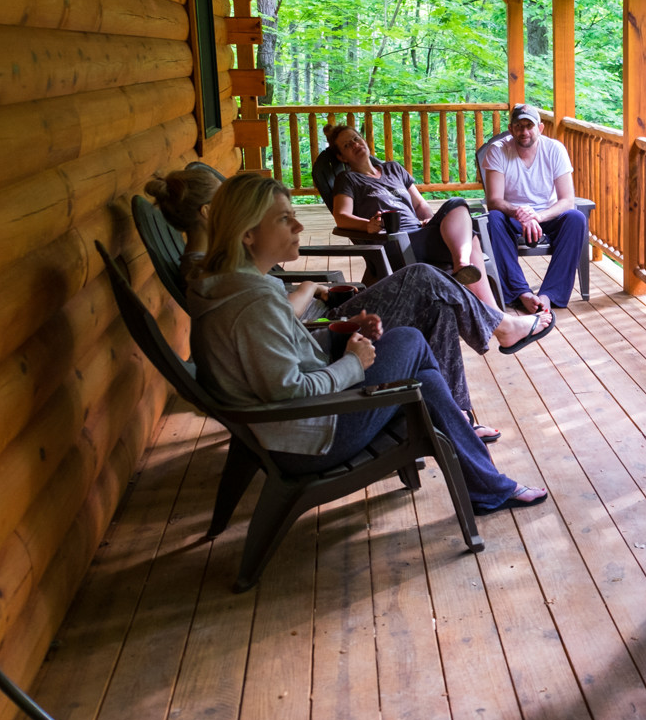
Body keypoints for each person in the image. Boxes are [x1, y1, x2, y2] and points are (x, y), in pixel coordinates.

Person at [185, 173, 547, 514]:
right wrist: (353, 363)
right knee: (412, 341)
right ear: (248, 235)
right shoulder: (252, 302)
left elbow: (285, 349)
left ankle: (485, 479)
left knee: (419, 351)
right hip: (311, 438)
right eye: (284, 219)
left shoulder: (238, 284)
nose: (298, 226)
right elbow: (290, 391)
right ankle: (483, 474)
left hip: (302, 425)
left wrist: (344, 330)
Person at [323, 121, 500, 309]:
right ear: (342, 157)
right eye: (347, 145)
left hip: (420, 235)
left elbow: (419, 204)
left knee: (456, 204)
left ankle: (463, 267)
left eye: (356, 139)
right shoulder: (348, 179)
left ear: (364, 140)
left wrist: (429, 220)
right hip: (396, 243)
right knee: (471, 240)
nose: (355, 145)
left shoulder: (393, 169)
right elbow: (341, 216)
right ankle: (488, 304)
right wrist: (367, 225)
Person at [481, 103, 589, 313]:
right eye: (519, 126)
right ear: (511, 129)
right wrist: (519, 213)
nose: (524, 131)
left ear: (540, 128)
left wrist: (538, 216)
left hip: (547, 215)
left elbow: (567, 199)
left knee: (576, 219)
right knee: (494, 218)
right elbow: (494, 200)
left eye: (529, 126)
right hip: (512, 217)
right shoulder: (498, 151)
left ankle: (549, 295)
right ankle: (522, 293)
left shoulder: (554, 150)